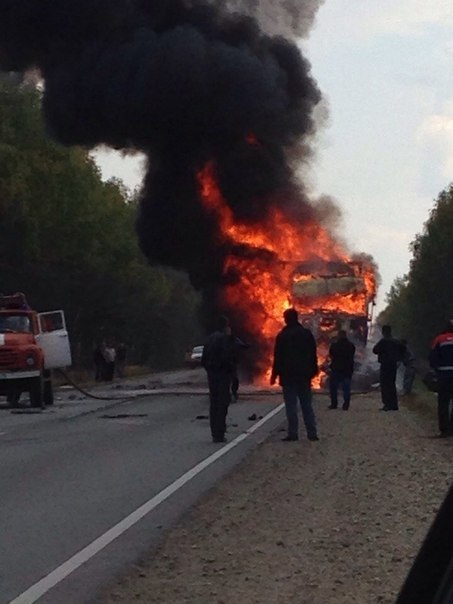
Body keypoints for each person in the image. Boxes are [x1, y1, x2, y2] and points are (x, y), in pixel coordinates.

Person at [270, 308, 319, 442]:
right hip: (303, 375)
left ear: (287, 319)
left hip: (288, 376)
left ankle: (293, 433)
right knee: (306, 404)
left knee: (291, 405)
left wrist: (274, 375)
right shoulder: (306, 334)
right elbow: (312, 354)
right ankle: (312, 433)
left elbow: (278, 357)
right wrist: (314, 370)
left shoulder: (283, 335)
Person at [201, 316, 236, 443]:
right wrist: (230, 373)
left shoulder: (209, 339)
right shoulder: (224, 339)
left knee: (214, 403)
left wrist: (210, 371)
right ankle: (219, 433)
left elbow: (203, 360)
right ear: (225, 326)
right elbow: (227, 358)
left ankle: (214, 432)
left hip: (212, 375)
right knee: (222, 403)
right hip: (222, 375)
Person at [372, 325, 406, 411]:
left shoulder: (383, 341)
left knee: (385, 385)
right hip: (393, 365)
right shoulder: (396, 341)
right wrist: (399, 358)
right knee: (391, 384)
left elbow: (375, 350)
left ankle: (387, 404)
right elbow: (403, 349)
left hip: (385, 365)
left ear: (384, 332)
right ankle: (394, 405)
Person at [429, 321, 453, 437]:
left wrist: (436, 369)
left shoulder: (440, 339)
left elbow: (432, 356)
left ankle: (444, 430)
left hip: (443, 375)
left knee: (443, 402)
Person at [328, 329, 356, 410]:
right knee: (346, 388)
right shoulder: (351, 346)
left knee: (333, 387)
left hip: (336, 368)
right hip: (347, 369)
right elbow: (352, 355)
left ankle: (334, 404)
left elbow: (331, 355)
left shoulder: (334, 345)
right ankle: (346, 405)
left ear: (339, 336)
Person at [230, 335, 250, 402]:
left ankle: (233, 394)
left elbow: (242, 345)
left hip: (230, 363)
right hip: (228, 364)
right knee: (233, 380)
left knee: (234, 380)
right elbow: (242, 345)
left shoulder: (233, 339)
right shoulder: (232, 339)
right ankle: (232, 394)